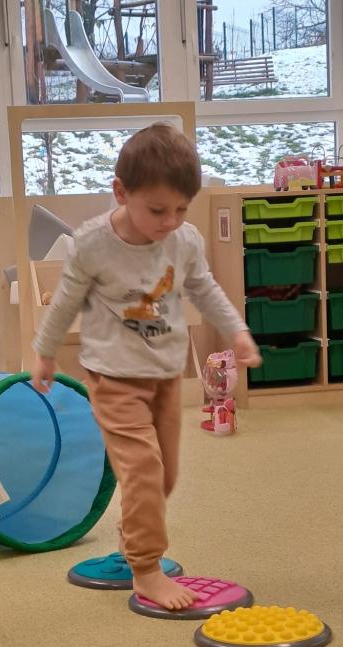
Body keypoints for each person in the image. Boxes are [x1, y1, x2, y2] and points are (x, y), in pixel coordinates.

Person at [31, 123, 261, 610]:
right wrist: (45, 351)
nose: (170, 221)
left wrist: (237, 331)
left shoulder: (185, 240)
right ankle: (146, 569)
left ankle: (132, 529)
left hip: (165, 375)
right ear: (121, 192)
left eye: (181, 209)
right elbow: (66, 299)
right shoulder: (93, 242)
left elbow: (204, 289)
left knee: (165, 476)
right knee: (144, 469)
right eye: (157, 210)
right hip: (113, 376)